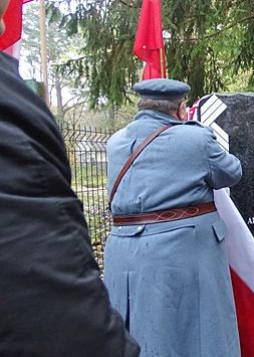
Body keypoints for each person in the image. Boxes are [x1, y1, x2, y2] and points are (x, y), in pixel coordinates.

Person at [0, 0, 139, 355]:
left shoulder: (119, 140)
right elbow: (62, 328)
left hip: (127, 245)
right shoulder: (10, 110)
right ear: (179, 106)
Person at [104, 78, 242, 357]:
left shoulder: (115, 142)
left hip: (123, 253)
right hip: (181, 252)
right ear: (181, 109)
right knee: (192, 336)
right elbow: (232, 172)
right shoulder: (195, 138)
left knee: (135, 335)